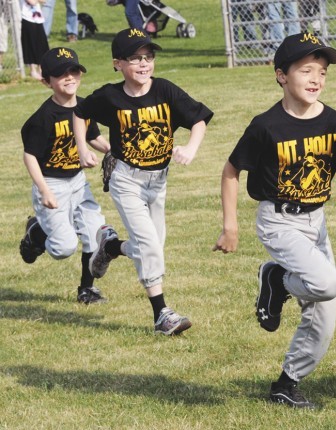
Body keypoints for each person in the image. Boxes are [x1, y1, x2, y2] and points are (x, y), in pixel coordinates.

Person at [213, 32, 336, 408]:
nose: (316, 78)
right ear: (281, 75)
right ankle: (278, 279)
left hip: (315, 223)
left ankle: (287, 383)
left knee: (324, 317)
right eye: (306, 70)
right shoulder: (266, 125)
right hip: (278, 221)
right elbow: (231, 171)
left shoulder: (334, 121)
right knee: (328, 283)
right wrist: (230, 225)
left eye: (322, 71)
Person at [73, 28, 214, 335]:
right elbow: (80, 112)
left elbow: (199, 119)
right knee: (150, 246)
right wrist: (83, 148)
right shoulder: (110, 96)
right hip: (126, 180)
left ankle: (111, 247)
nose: (143, 63)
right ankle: (161, 314)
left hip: (158, 182)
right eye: (134, 58)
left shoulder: (164, 90)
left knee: (151, 247)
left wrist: (191, 147)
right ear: (117, 63)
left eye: (148, 57)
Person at [19, 47, 111, 304]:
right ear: (46, 82)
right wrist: (44, 190)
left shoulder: (84, 106)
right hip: (51, 184)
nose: (69, 77)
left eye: (74, 70)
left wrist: (110, 149)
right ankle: (36, 233)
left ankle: (86, 290)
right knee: (63, 248)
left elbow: (92, 136)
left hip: (78, 182)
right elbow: (30, 156)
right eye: (61, 74)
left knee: (95, 233)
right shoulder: (43, 118)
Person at [21, 0, 49, 79]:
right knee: (30, 44)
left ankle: (41, 69)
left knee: (41, 44)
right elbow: (31, 2)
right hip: (27, 18)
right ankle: (33, 70)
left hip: (38, 18)